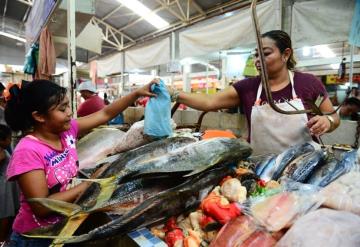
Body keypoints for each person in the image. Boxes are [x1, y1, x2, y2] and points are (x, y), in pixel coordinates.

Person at [4, 79, 157, 246]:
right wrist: (89, 184)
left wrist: (136, 94)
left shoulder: (67, 131)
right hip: (35, 238)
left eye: (68, 105)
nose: (70, 112)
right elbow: (42, 206)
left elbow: (104, 114)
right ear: (39, 116)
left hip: (65, 229)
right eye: (62, 109)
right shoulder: (28, 150)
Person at [168, 30, 339, 155]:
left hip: (304, 164)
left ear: (286, 54)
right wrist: (173, 93)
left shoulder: (308, 83)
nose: (258, 60)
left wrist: (327, 121)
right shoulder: (247, 87)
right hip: (261, 166)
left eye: (265, 54)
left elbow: (334, 117)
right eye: (256, 55)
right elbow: (209, 102)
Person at [0, 124, 19, 243]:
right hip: (3, 189)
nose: (10, 141)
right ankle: (1, 240)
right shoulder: (1, 152)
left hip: (7, 187)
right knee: (5, 213)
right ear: (2, 140)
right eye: (9, 138)